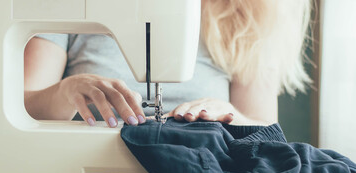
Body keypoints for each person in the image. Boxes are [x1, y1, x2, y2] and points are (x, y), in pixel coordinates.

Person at [24, 0, 312, 128]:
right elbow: (22, 109)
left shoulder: (247, 12)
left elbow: (265, 131)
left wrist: (230, 114)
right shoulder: (67, 5)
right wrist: (67, 91)